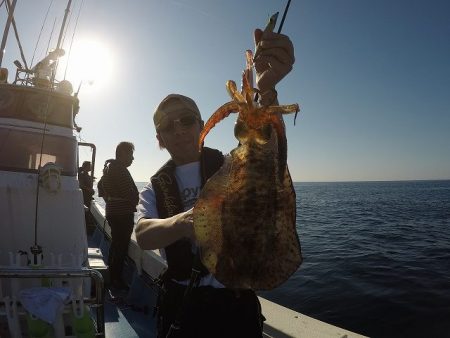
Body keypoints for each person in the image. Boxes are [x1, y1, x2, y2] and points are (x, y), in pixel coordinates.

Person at [135, 27, 295, 338]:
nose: (179, 129)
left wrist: (268, 89)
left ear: (200, 124)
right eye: (168, 125)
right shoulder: (156, 186)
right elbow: (142, 234)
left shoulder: (229, 163)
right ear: (159, 139)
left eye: (186, 120)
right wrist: (185, 221)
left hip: (236, 300)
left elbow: (267, 154)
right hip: (183, 302)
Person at [101, 142, 139, 290]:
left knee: (116, 245)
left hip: (113, 211)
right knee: (121, 247)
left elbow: (102, 190)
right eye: (130, 154)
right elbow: (128, 193)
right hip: (122, 214)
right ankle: (116, 279)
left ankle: (111, 276)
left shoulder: (110, 168)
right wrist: (136, 199)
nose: (132, 158)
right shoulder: (120, 170)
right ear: (122, 153)